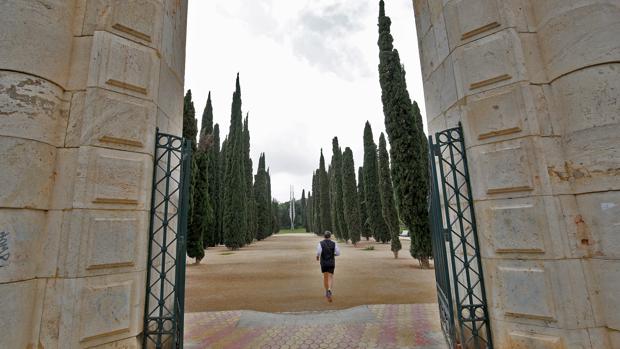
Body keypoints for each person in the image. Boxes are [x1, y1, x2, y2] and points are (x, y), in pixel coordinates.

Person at [316, 231, 340, 302]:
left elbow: (318, 252)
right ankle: (329, 289)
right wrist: (333, 254)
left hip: (323, 262)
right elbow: (338, 253)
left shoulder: (320, 243)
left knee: (325, 277)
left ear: (324, 236)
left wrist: (317, 257)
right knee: (330, 276)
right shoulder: (334, 243)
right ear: (330, 236)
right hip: (331, 262)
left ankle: (326, 291)